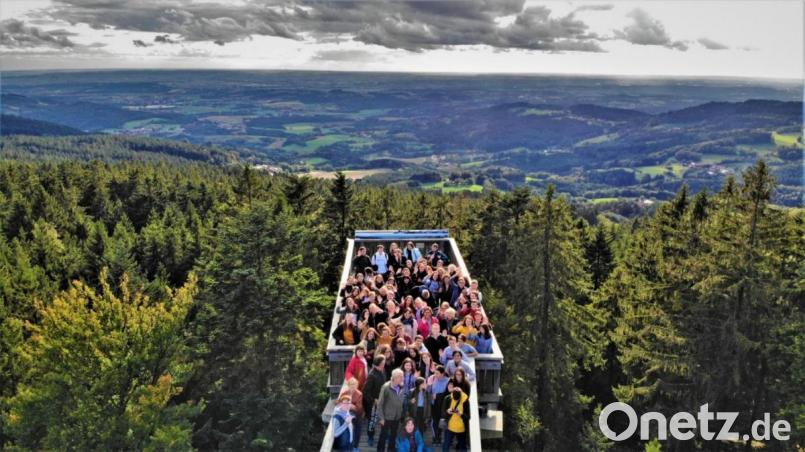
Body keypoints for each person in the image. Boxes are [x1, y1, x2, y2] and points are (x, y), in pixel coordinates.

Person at [377, 368, 406, 452]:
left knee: (393, 435)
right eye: (401, 377)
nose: (402, 378)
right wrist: (381, 418)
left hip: (397, 417)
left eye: (402, 376)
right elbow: (380, 403)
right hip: (386, 417)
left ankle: (391, 450)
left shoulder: (401, 386)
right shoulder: (386, 387)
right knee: (383, 435)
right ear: (395, 377)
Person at [363, 355, 387, 448]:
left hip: (382, 400)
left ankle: (385, 434)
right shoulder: (372, 375)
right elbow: (365, 391)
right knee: (372, 420)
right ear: (378, 364)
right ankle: (370, 437)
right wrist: (373, 400)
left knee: (383, 418)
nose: (384, 365)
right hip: (373, 403)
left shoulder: (382, 371)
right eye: (382, 364)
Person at [340, 377, 364, 451]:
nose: (353, 387)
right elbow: (339, 403)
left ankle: (355, 447)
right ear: (348, 385)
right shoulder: (344, 393)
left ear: (357, 386)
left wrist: (349, 405)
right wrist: (350, 405)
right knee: (349, 432)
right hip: (347, 415)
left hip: (357, 415)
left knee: (358, 431)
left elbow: (359, 408)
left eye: (355, 385)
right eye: (351, 385)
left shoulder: (359, 394)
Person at [442, 388, 469, 452]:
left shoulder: (465, 400)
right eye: (454, 399)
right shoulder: (447, 398)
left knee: (462, 446)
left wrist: (461, 414)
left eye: (457, 400)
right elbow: (442, 412)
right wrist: (447, 411)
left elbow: (468, 416)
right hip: (450, 427)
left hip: (461, 428)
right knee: (446, 444)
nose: (455, 401)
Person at [428, 366, 450, 445]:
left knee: (441, 422)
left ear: (443, 374)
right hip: (434, 405)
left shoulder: (448, 381)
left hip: (443, 406)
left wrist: (437, 396)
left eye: (437, 373)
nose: (435, 375)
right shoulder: (433, 378)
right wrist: (429, 385)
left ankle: (439, 437)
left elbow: (448, 394)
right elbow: (428, 391)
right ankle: (435, 437)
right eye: (435, 373)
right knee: (434, 422)